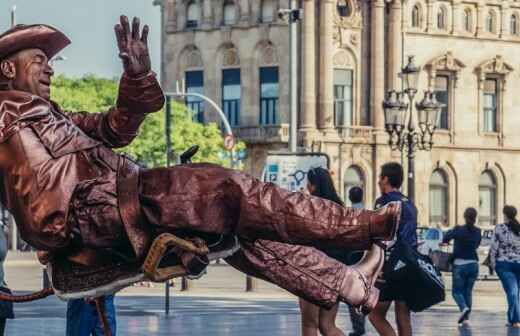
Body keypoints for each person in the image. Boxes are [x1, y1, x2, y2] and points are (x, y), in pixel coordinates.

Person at [0, 17, 401, 312]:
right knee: (225, 188)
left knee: (237, 230)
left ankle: (350, 282)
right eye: (39, 60)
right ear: (7, 69)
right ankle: (360, 227)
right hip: (92, 212)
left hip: (116, 199)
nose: (50, 67)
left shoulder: (57, 117)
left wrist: (137, 77)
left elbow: (115, 128)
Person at [298, 168, 376, 336]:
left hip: (313, 271)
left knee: (309, 325)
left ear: (313, 186)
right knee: (327, 325)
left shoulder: (311, 208)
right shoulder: (340, 209)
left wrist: (302, 201)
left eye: (309, 184)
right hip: (335, 274)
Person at [369, 162, 417, 336]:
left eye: (380, 178)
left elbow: (378, 235)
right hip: (409, 263)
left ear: (386, 179)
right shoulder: (409, 203)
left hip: (391, 265)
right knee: (403, 316)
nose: (378, 182)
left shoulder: (384, 202)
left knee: (375, 314)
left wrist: (377, 267)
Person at [442, 207, 481, 326]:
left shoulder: (459, 229)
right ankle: (466, 319)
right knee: (468, 292)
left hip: (460, 264)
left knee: (456, 292)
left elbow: (446, 238)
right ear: (475, 218)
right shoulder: (478, 231)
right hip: (474, 264)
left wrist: (452, 232)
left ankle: (463, 307)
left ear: (465, 216)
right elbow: (477, 244)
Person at [490, 205, 520, 328]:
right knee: (513, 292)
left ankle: (514, 319)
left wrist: (492, 264)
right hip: (514, 264)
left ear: (505, 215)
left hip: (504, 264)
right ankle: (515, 319)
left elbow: (493, 247)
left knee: (513, 292)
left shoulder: (499, 228)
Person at [346, 186, 367, 336]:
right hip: (365, 257)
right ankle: (361, 322)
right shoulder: (368, 213)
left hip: (351, 257)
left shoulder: (346, 214)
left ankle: (358, 327)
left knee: (352, 293)